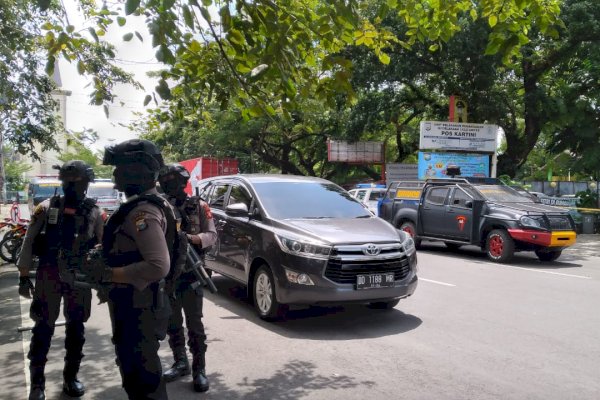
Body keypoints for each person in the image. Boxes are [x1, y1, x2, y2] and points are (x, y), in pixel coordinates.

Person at [17, 160, 103, 400]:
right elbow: (28, 242)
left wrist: (104, 278)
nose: (73, 188)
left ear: (86, 184)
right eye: (69, 183)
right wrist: (24, 275)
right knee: (43, 328)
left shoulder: (94, 211)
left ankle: (70, 377)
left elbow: (102, 245)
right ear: (63, 183)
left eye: (79, 183)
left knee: (76, 329)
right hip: (49, 275)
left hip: (80, 280)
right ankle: (37, 385)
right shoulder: (46, 207)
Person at [98, 138, 177, 400]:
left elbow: (158, 266)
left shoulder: (141, 212)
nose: (114, 175)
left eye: (118, 168)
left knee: (143, 377)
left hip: (138, 306)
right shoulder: (141, 206)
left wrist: (110, 274)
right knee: (136, 373)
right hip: (135, 304)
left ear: (135, 170)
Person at [158, 163, 217, 392]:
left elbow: (211, 236)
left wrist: (189, 239)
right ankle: (180, 362)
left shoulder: (199, 205)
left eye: (174, 181)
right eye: (167, 182)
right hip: (168, 273)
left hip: (191, 273)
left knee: (195, 324)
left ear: (183, 183)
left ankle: (199, 369)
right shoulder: (159, 207)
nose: (171, 186)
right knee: (173, 322)